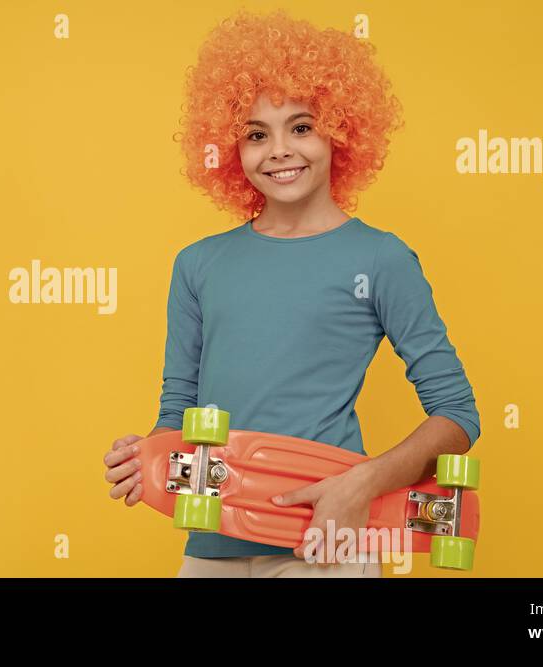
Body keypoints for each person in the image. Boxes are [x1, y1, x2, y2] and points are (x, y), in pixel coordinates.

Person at [103, 9, 480, 578]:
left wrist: (362, 484)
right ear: (233, 149)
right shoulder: (198, 264)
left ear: (340, 130)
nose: (279, 149)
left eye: (301, 127)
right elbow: (177, 412)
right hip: (212, 544)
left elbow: (457, 416)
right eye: (257, 134)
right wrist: (145, 457)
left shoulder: (381, 259)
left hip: (328, 548)